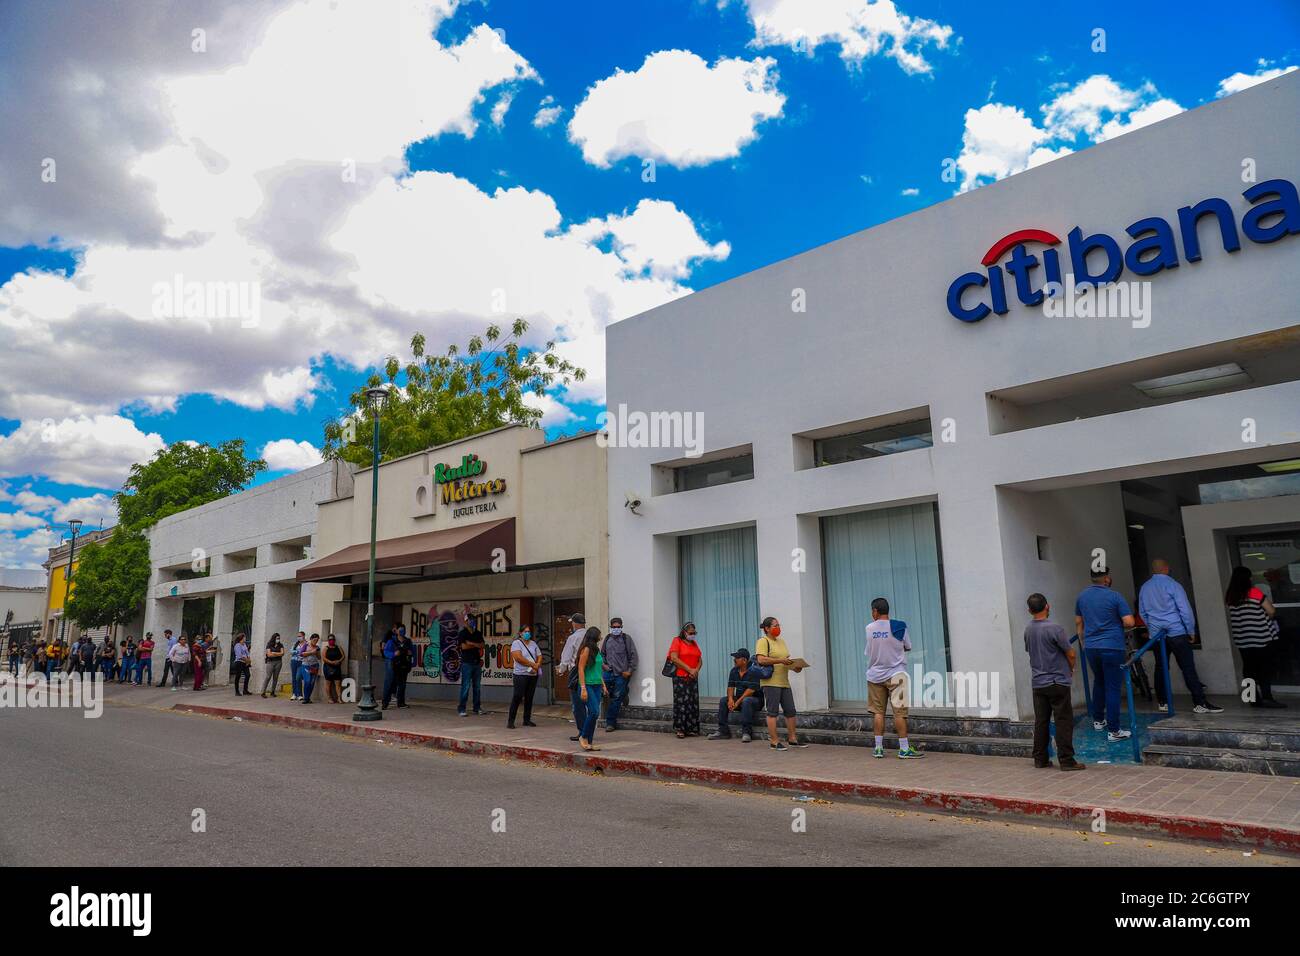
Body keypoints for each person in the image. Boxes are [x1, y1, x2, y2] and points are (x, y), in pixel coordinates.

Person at [1137, 559, 1223, 714]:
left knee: (1161, 667)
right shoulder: (1173, 585)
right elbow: (1185, 610)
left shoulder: (1145, 587)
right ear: (1166, 569)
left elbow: (1142, 612)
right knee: (1187, 667)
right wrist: (1191, 630)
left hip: (1157, 635)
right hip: (1176, 631)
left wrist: (1152, 627)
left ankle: (1162, 702)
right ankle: (1199, 702)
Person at [1024, 593, 1085, 771]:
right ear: (1047, 606)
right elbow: (1071, 653)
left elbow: (1030, 651)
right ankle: (1066, 760)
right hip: (1057, 680)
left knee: (1041, 721)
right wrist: (1071, 669)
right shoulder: (1055, 628)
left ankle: (1040, 758)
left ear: (1029, 610)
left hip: (1038, 682)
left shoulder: (1028, 629)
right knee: (1063, 720)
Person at [1075, 567, 1136, 741]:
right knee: (1113, 687)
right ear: (1107, 579)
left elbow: (1078, 622)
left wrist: (1083, 641)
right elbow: (1129, 622)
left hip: (1091, 647)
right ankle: (1114, 730)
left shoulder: (1082, 596)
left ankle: (1098, 720)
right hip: (1112, 646)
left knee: (1099, 682)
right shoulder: (1115, 596)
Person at [865, 598, 924, 759]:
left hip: (875, 675)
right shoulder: (899, 626)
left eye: (872, 611)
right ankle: (904, 749)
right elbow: (908, 646)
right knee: (899, 713)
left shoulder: (869, 628)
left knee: (878, 712)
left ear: (875, 611)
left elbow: (869, 652)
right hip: (897, 674)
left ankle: (878, 748)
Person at [1226, 566, 1286, 709]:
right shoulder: (1254, 592)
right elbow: (1271, 610)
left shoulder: (1231, 596)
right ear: (1247, 579)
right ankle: (1267, 698)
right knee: (1264, 669)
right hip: (1261, 637)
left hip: (1242, 639)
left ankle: (1252, 698)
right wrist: (1267, 616)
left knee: (1248, 669)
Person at [756, 616, 807, 750]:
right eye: (775, 626)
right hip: (771, 682)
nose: (778, 628)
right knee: (772, 712)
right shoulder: (763, 641)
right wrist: (779, 661)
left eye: (779, 625)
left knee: (790, 711)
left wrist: (795, 666)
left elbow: (785, 660)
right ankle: (774, 741)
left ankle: (792, 739)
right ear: (767, 629)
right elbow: (761, 660)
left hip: (784, 681)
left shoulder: (782, 642)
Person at [709, 648, 763, 742]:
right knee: (723, 701)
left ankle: (746, 732)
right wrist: (730, 699)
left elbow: (750, 691)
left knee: (747, 700)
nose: (734, 660)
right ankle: (723, 731)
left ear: (744, 660)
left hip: (755, 701)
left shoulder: (754, 670)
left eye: (737, 658)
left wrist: (737, 702)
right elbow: (730, 687)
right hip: (740, 700)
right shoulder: (734, 671)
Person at [600, 617, 638, 732]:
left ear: (621, 627)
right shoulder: (607, 639)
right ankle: (624, 693)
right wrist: (604, 665)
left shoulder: (626, 639)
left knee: (616, 698)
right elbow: (602, 654)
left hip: (622, 674)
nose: (616, 629)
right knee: (604, 692)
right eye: (614, 627)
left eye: (618, 627)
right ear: (610, 627)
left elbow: (633, 656)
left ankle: (610, 723)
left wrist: (630, 671)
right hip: (608, 672)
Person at [555, 613, 588, 741]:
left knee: (577, 704)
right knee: (589, 704)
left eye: (572, 623)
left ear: (575, 623)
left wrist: (561, 669)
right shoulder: (590, 636)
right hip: (590, 672)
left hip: (576, 673)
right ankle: (588, 730)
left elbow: (567, 657)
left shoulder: (573, 638)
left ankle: (582, 732)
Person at [667, 622, 702, 739]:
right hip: (681, 677)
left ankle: (692, 728)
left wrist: (696, 670)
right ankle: (680, 728)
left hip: (693, 677)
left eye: (694, 633)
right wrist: (689, 670)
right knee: (681, 703)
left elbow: (699, 659)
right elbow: (674, 658)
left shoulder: (694, 643)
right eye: (690, 633)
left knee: (692, 703)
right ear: (684, 632)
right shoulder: (677, 641)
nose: (692, 635)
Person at [575, 627, 607, 751]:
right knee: (594, 712)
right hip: (587, 684)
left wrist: (603, 684)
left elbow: (598, 669)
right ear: (595, 636)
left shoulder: (596, 650)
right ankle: (583, 736)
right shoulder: (586, 649)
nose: (601, 636)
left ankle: (589, 742)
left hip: (597, 685)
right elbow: (581, 668)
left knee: (593, 714)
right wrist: (583, 688)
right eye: (599, 634)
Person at [507, 625, 542, 729]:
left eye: (529, 631)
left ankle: (526, 720)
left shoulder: (533, 643)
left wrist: (537, 664)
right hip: (520, 674)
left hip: (532, 674)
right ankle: (511, 721)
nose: (528, 633)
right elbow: (518, 658)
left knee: (529, 697)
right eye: (525, 632)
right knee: (517, 696)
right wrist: (532, 665)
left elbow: (539, 655)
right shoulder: (516, 643)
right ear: (521, 633)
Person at [456, 626, 485, 716]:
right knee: (465, 687)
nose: (472, 622)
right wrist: (476, 644)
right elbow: (463, 647)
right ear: (466, 622)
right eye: (470, 620)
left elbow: (482, 645)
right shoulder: (462, 633)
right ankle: (462, 708)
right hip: (466, 663)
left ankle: (477, 708)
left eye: (473, 619)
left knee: (477, 687)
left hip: (476, 663)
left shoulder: (478, 633)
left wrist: (471, 643)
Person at [261, 632, 285, 698]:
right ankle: (263, 691)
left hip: (278, 662)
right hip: (270, 662)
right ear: (274, 638)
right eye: (277, 638)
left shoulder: (281, 645)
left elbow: (282, 653)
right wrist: (278, 653)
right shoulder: (269, 645)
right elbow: (269, 654)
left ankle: (272, 691)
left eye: (279, 638)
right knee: (268, 676)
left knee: (275, 677)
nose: (278, 639)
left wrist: (274, 653)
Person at [322, 634, 345, 703]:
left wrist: (339, 661)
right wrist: (331, 662)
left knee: (338, 683)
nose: (331, 641)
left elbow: (343, 656)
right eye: (330, 640)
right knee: (328, 683)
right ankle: (329, 698)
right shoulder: (326, 648)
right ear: (328, 640)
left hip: (337, 667)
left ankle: (339, 698)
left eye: (333, 639)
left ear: (335, 640)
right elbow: (323, 657)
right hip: (328, 667)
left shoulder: (339, 647)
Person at [300, 634, 321, 704]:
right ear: (311, 639)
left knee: (312, 683)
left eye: (317, 640)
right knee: (307, 681)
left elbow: (319, 657)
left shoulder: (317, 647)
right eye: (314, 640)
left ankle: (308, 698)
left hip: (314, 666)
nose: (315, 642)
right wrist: (311, 652)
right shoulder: (306, 645)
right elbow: (301, 654)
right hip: (306, 665)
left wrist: (317, 652)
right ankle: (305, 698)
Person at [290, 631, 306, 700]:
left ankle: (300, 694)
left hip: (301, 662)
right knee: (294, 678)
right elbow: (291, 651)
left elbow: (305, 652)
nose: (298, 637)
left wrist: (299, 652)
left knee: (298, 677)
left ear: (303, 636)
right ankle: (294, 694)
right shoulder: (295, 644)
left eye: (300, 636)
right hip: (294, 661)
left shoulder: (306, 644)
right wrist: (298, 652)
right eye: (298, 636)